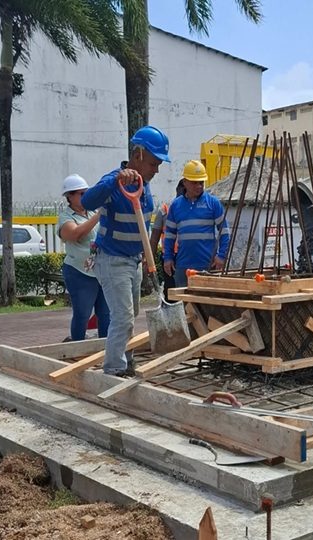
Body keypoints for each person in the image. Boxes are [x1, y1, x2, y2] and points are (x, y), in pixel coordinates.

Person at [82, 125, 170, 376]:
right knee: (122, 317)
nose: (157, 169)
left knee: (130, 315)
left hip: (133, 261)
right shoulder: (114, 181)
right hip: (112, 260)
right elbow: (88, 201)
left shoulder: (145, 184)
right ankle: (114, 370)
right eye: (154, 163)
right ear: (139, 154)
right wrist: (116, 180)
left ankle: (126, 360)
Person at [57, 174, 110, 341]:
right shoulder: (66, 217)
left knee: (105, 313)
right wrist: (98, 216)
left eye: (87, 192)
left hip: (101, 270)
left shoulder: (93, 211)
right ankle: (77, 347)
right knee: (83, 313)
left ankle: (105, 350)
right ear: (69, 196)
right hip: (79, 272)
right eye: (81, 193)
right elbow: (74, 234)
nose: (85, 196)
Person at [163, 160, 230, 288]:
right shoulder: (176, 205)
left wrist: (221, 256)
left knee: (207, 305)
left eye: (201, 182)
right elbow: (169, 235)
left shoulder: (213, 203)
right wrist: (168, 258)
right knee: (184, 306)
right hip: (183, 266)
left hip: (207, 266)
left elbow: (224, 232)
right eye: (195, 183)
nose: (199, 186)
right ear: (185, 182)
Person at [149, 180, 186, 296]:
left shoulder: (193, 210)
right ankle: (172, 313)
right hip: (170, 258)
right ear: (178, 190)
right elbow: (154, 239)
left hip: (187, 256)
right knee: (171, 291)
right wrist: (150, 262)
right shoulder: (165, 211)